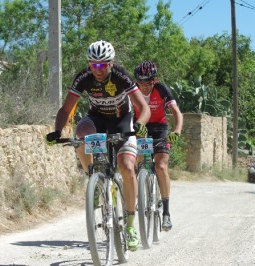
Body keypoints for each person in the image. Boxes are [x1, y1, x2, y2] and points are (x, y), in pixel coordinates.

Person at [46, 40, 151, 251]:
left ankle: (130, 226)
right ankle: (93, 175)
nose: (98, 70)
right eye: (93, 65)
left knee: (127, 166)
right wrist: (57, 131)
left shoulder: (121, 76)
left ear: (111, 64)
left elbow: (144, 107)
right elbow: (66, 109)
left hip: (122, 120)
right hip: (97, 118)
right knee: (81, 135)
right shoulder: (83, 77)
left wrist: (139, 125)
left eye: (102, 65)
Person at [133, 60, 183, 231]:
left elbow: (177, 113)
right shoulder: (132, 90)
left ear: (154, 80)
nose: (145, 86)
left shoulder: (161, 89)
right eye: (141, 82)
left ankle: (166, 213)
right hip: (140, 127)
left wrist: (176, 131)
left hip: (160, 129)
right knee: (136, 162)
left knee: (161, 166)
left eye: (148, 82)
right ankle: (138, 190)